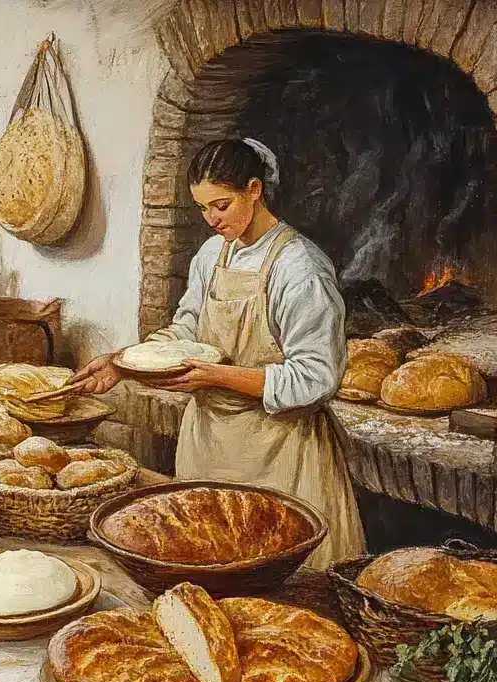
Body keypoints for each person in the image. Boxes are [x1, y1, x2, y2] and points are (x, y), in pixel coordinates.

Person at [71, 137, 364, 569]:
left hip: (279, 451)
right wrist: (123, 362)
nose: (211, 219)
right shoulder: (213, 253)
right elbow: (187, 330)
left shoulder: (299, 268)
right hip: (209, 443)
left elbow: (315, 378)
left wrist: (217, 377)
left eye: (221, 205)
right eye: (203, 208)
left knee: (282, 583)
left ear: (254, 189)